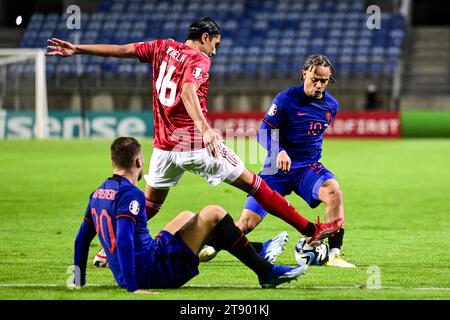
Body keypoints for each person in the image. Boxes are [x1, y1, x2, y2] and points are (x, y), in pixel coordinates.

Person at [48, 17, 343, 266]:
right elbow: (189, 91)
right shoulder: (198, 59)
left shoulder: (162, 47)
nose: (214, 52)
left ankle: (104, 250)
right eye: (214, 45)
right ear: (204, 38)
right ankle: (310, 228)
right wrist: (206, 129)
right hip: (192, 143)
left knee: (150, 205)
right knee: (257, 185)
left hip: (163, 147)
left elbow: (122, 49)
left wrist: (78, 48)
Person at [73, 137, 307, 291]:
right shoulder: (131, 195)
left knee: (186, 216)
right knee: (214, 213)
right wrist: (133, 287)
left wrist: (78, 279)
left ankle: (255, 248)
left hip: (140, 262)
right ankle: (265, 271)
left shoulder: (98, 193)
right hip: (152, 272)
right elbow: (123, 240)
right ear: (139, 161)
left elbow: (82, 239)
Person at [200, 55, 355, 268]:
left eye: (324, 81)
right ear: (304, 74)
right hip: (276, 170)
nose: (319, 85)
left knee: (334, 192)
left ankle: (334, 254)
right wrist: (279, 151)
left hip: (307, 168)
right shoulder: (285, 99)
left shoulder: (331, 106)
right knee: (246, 223)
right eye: (315, 79)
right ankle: (211, 246)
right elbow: (263, 133)